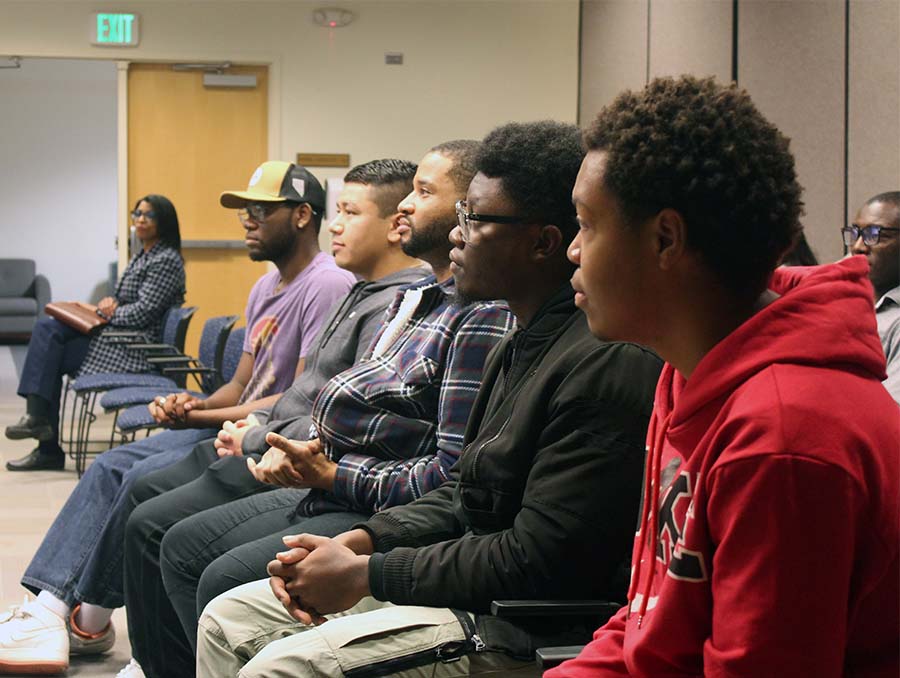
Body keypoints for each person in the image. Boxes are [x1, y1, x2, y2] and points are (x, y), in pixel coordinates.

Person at [194, 121, 663, 678]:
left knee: (284, 668)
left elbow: (536, 559)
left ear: (543, 243)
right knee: (228, 619)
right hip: (469, 583)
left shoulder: (605, 362)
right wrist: (364, 538)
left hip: (522, 623)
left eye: (476, 219)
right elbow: (466, 489)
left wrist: (370, 572)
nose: (456, 236)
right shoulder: (519, 340)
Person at [546, 76, 900, 676]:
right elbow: (649, 618)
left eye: (586, 223)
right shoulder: (692, 374)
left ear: (665, 239)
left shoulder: (784, 435)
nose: (574, 251)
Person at [120, 141, 514, 678]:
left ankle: (76, 613)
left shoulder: (477, 314)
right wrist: (284, 444)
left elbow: (448, 473)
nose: (405, 208)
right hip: (314, 463)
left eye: (423, 193)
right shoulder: (413, 296)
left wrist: (314, 463)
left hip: (360, 492)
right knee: (147, 506)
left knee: (195, 558)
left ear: (470, 216)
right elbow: (324, 394)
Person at [0, 161, 357, 675]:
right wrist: (194, 406)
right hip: (231, 422)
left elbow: (290, 400)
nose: (247, 222)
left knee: (141, 480)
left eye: (260, 211)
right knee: (111, 465)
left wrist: (204, 420)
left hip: (260, 434)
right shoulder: (266, 288)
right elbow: (241, 385)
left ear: (302, 215)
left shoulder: (326, 285)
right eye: (244, 213)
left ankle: (81, 616)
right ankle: (60, 612)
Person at [5, 194, 186, 471]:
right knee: (48, 331)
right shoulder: (145, 255)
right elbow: (128, 303)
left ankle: (44, 438)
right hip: (118, 339)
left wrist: (105, 313)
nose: (139, 219)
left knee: (48, 352)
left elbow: (142, 313)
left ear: (164, 221)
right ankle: (39, 424)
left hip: (135, 349)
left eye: (147, 215)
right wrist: (110, 303)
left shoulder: (166, 260)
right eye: (136, 213)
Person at [846, 191, 900, 403]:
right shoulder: (844, 301)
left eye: (874, 234)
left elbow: (891, 418)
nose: (858, 247)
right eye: (855, 233)